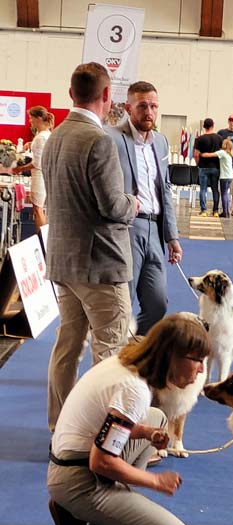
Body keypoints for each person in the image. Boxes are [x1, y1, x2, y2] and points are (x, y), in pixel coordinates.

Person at [47, 313, 211, 525]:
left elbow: (106, 426)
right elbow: (101, 462)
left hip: (71, 461)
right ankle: (90, 517)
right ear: (171, 356)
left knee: (156, 418)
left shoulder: (124, 362)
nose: (201, 369)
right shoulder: (134, 390)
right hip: (79, 479)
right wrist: (156, 481)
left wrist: (146, 432)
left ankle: (94, 512)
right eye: (196, 360)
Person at [42, 62, 138, 432]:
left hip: (64, 263)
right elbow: (112, 206)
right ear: (107, 95)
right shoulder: (99, 141)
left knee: (67, 347)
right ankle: (102, 437)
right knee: (110, 354)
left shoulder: (54, 137)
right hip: (100, 265)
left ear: (71, 94)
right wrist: (133, 203)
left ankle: (60, 427)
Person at [107, 81, 183, 335]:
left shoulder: (161, 142)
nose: (149, 112)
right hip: (127, 228)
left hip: (155, 230)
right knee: (123, 304)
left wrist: (172, 236)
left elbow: (166, 190)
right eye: (142, 106)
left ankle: (133, 348)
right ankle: (116, 354)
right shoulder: (112, 138)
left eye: (153, 106)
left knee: (157, 305)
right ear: (129, 108)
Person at [12, 106, 54, 230]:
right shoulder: (46, 134)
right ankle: (42, 237)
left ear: (38, 118)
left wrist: (19, 169)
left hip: (39, 176)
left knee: (37, 210)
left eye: (31, 118)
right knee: (38, 209)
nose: (30, 121)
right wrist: (30, 144)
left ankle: (41, 238)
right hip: (43, 175)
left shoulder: (41, 137)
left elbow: (37, 163)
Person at [193, 118, 222, 217]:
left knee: (203, 189)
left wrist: (198, 163)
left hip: (203, 167)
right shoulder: (219, 138)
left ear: (204, 126)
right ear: (213, 125)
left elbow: (196, 154)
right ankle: (216, 211)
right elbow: (222, 153)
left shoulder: (199, 139)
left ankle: (203, 210)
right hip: (215, 167)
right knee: (215, 189)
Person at [200, 138, 233, 217]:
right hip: (230, 176)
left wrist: (202, 154)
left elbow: (211, 155)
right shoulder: (229, 154)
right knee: (226, 193)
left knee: (224, 194)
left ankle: (225, 212)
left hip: (224, 176)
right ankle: (227, 211)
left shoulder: (222, 152)